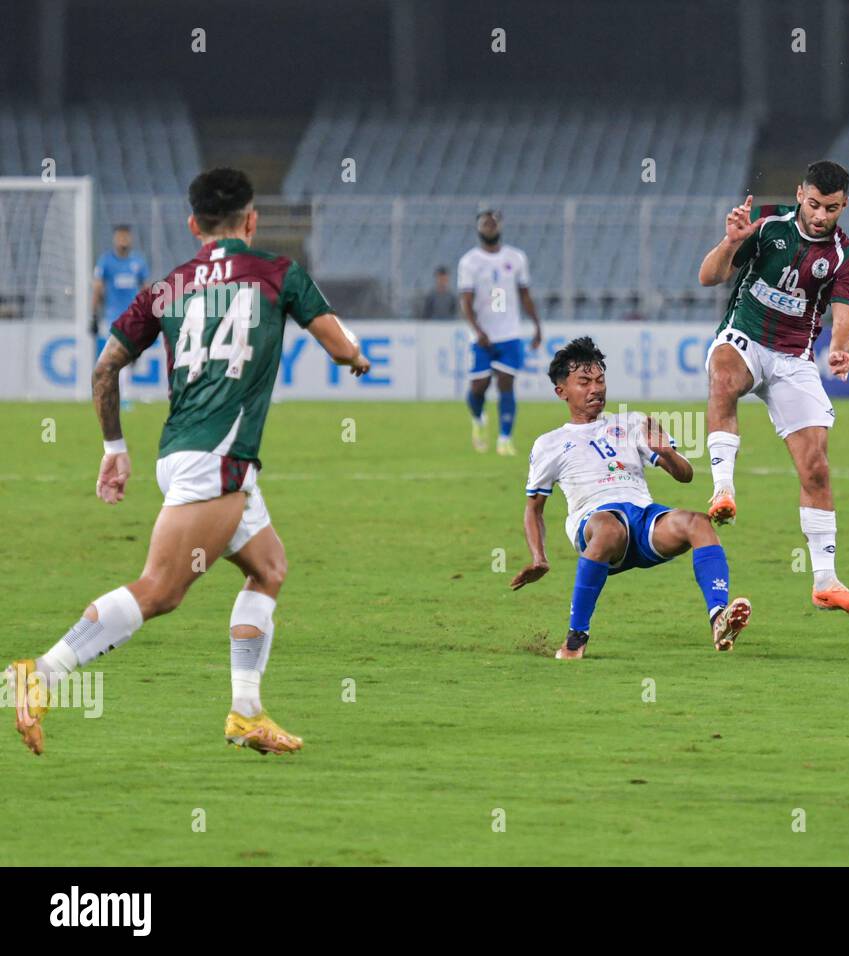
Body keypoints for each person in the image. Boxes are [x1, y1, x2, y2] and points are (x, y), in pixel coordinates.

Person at [4, 168, 371, 757]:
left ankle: (246, 713)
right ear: (251, 221)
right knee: (161, 591)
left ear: (192, 224)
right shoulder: (279, 275)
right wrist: (356, 359)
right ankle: (42, 673)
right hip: (218, 457)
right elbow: (338, 345)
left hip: (186, 451)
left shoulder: (167, 286)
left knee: (268, 568)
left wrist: (114, 449)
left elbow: (104, 369)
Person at [696, 160, 849, 615]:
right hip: (745, 337)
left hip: (794, 358)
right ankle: (722, 490)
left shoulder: (845, 256)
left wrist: (839, 350)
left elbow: (845, 316)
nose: (820, 215)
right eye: (814, 204)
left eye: (831, 208)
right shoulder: (767, 221)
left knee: (815, 466)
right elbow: (710, 276)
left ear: (844, 205)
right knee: (724, 377)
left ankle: (826, 582)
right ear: (800, 194)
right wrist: (731, 242)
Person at [511, 337, 752, 659]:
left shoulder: (632, 422)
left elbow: (685, 475)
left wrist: (665, 452)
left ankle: (719, 617)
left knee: (697, 522)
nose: (595, 388)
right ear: (562, 391)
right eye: (584, 382)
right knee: (610, 528)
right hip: (595, 522)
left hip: (643, 519)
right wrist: (538, 557)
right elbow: (534, 509)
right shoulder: (549, 444)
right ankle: (575, 639)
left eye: (600, 380)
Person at [458, 207, 543, 456]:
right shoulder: (469, 261)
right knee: (479, 386)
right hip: (482, 336)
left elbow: (525, 294)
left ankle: (505, 439)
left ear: (501, 226)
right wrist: (477, 330)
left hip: (510, 333)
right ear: (478, 228)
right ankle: (478, 418)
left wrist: (537, 325)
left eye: (493, 223)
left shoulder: (516, 258)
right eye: (485, 223)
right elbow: (466, 300)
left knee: (506, 384)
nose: (489, 227)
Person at [92, 225, 149, 337]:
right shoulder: (105, 261)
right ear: (115, 239)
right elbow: (97, 289)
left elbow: (146, 290)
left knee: (131, 353)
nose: (123, 240)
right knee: (117, 352)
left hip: (134, 317)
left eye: (126, 236)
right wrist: (94, 315)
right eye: (120, 237)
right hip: (113, 318)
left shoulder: (138, 261)